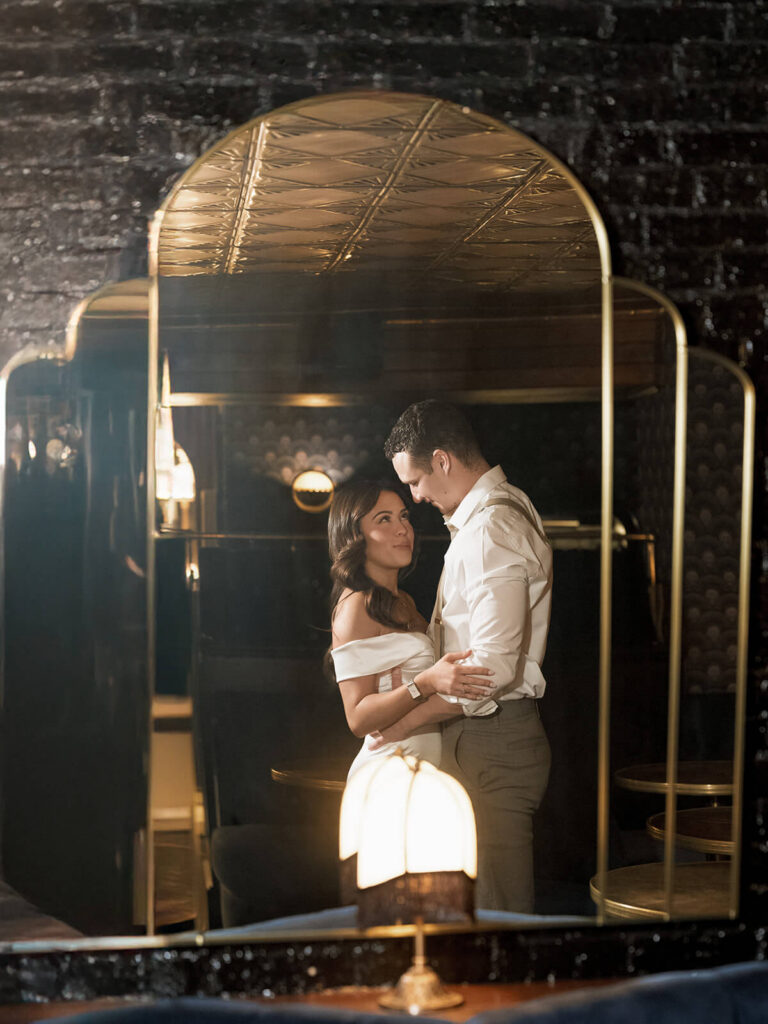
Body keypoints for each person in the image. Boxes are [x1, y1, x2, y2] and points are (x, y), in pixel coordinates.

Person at [375, 399, 553, 914]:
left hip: (492, 745)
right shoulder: (505, 507)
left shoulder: (490, 529)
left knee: (498, 914)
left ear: (443, 460)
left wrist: (408, 719)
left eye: (415, 481)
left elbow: (490, 669)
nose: (417, 495)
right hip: (488, 740)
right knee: (482, 908)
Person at [327, 478, 495, 779]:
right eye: (384, 519)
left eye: (404, 516)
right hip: (389, 766)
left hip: (424, 766)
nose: (402, 529)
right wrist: (425, 684)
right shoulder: (355, 606)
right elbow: (357, 718)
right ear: (355, 535)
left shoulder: (403, 600)